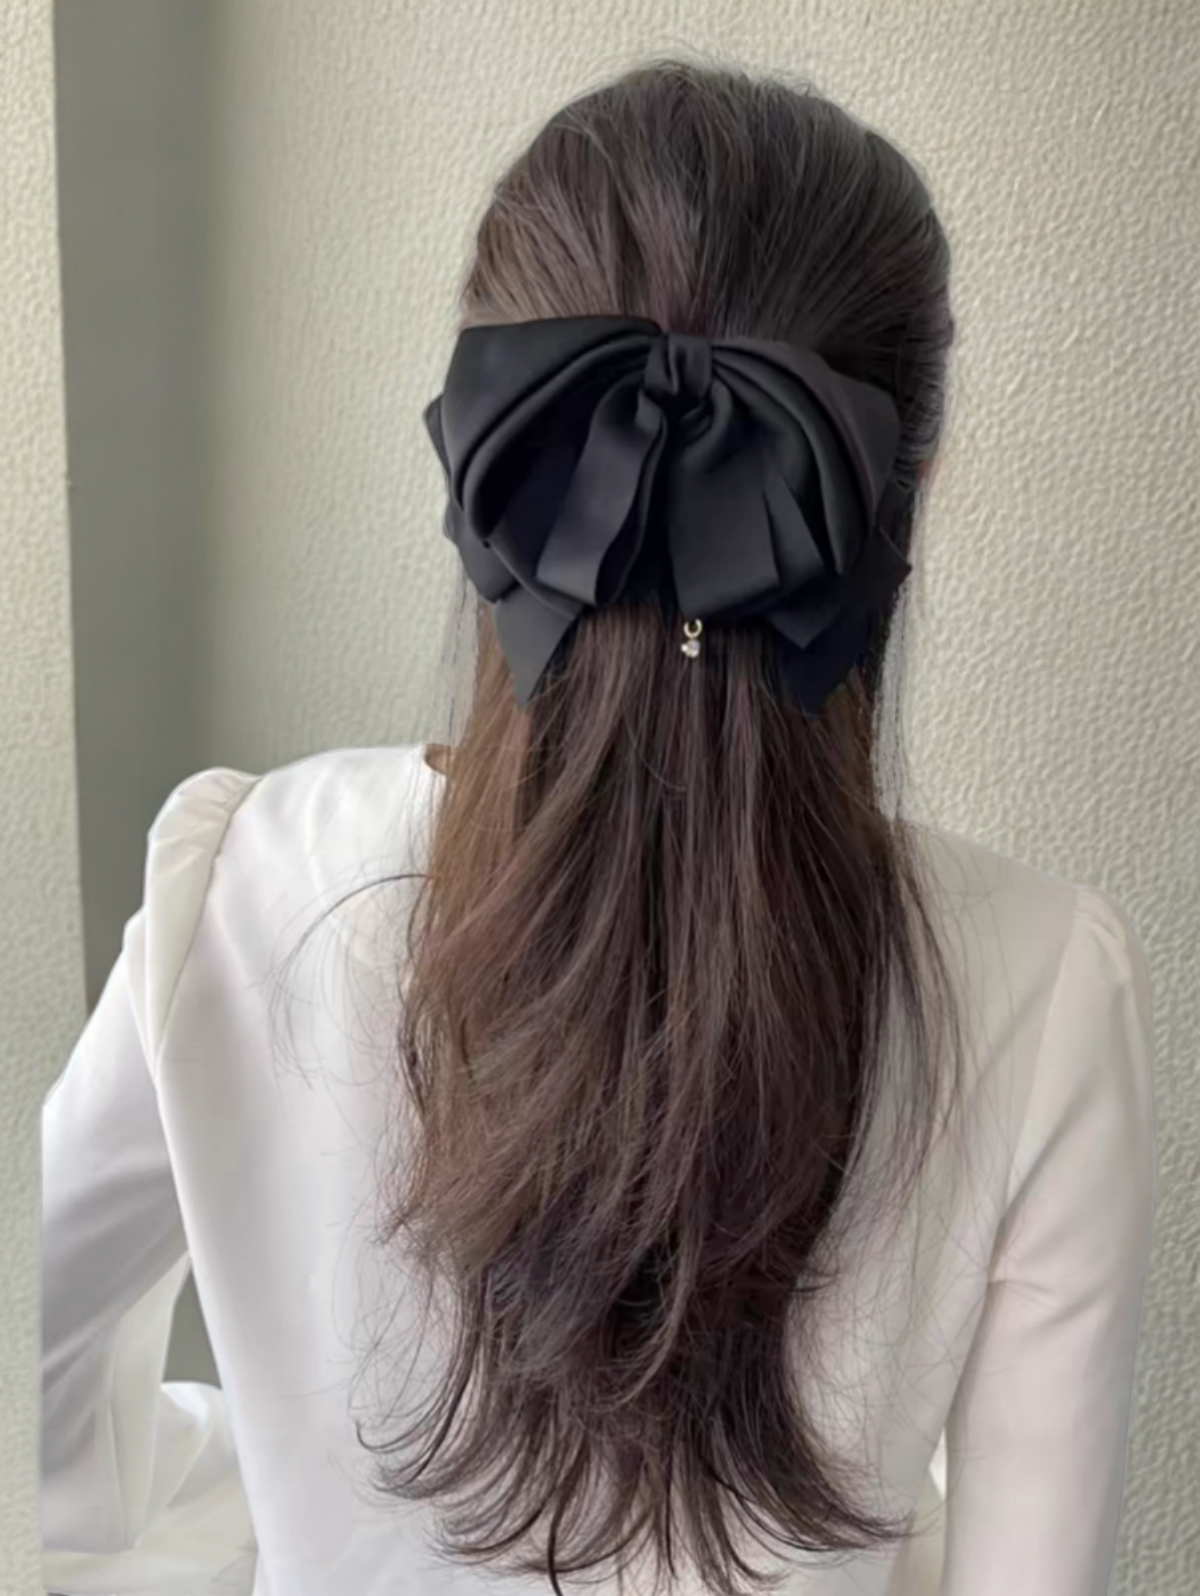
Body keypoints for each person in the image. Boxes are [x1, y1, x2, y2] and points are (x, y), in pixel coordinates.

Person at [41, 57, 1155, 1596]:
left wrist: (254, 1494)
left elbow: (38, 1410)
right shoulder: (1042, 985)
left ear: (485, 461)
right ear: (913, 485)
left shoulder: (242, 883)